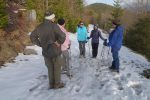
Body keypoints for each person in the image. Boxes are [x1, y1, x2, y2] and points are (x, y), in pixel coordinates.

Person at [30, 11, 66, 89]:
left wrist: (41, 44)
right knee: (56, 68)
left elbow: (32, 37)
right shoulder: (54, 26)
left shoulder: (39, 27)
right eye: (54, 17)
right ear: (51, 18)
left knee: (50, 68)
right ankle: (57, 84)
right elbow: (63, 36)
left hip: (46, 52)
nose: (54, 18)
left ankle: (51, 84)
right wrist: (59, 42)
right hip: (55, 51)